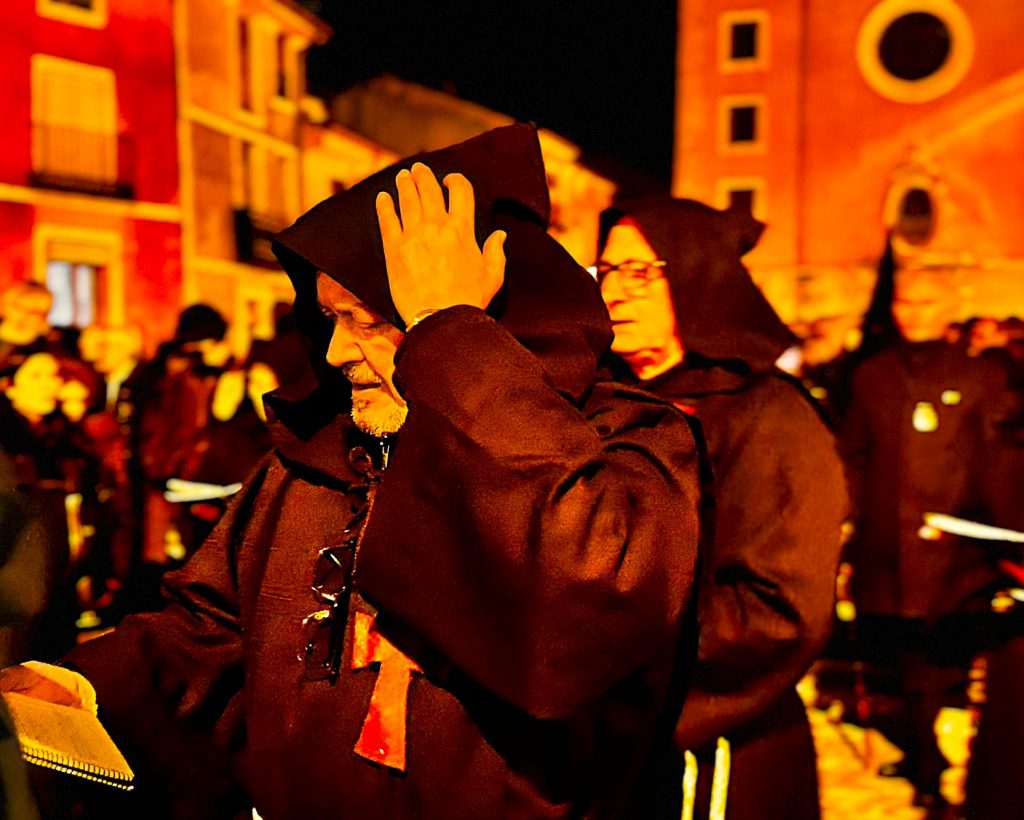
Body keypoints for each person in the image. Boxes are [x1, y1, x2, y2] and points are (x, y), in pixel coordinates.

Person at [0, 125, 707, 819]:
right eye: (331, 318)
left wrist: (448, 332)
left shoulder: (628, 444)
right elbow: (208, 631)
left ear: (487, 320)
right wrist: (79, 686)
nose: (337, 351)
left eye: (370, 319)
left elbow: (578, 607)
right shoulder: (321, 456)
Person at [596, 198, 847, 820]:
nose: (616, 292)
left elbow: (779, 609)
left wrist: (614, 642)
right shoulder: (599, 400)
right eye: (608, 270)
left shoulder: (770, 417)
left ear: (695, 276)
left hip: (714, 742)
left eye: (640, 272)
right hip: (607, 734)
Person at [840, 267, 1020, 813]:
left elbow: (998, 460)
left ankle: (933, 762)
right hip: (887, 547)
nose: (911, 313)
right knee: (902, 661)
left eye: (924, 303)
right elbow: (854, 455)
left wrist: (1007, 537)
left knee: (943, 664)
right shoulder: (872, 376)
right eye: (904, 302)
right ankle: (924, 757)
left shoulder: (981, 377)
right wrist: (845, 522)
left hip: (957, 550)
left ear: (948, 310)